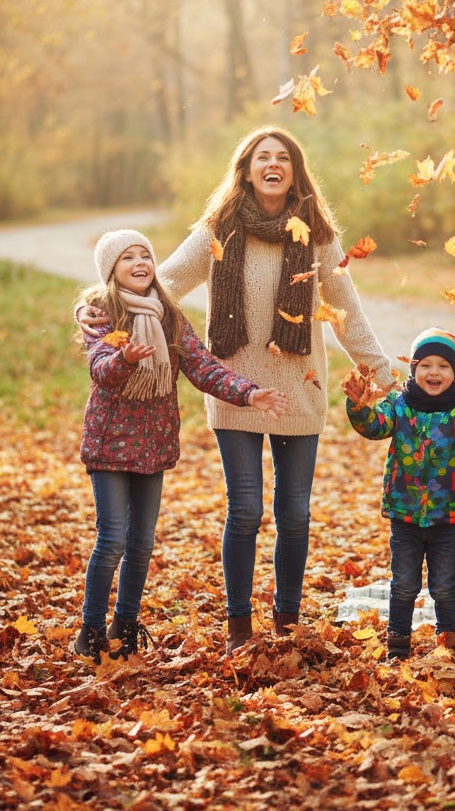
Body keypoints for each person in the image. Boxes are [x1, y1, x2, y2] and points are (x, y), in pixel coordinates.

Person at [76, 128, 396, 655]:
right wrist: (100, 308)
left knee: (294, 512)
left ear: (295, 170)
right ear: (245, 170)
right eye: (261, 157)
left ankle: (288, 622)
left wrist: (384, 376)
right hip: (232, 389)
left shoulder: (317, 236)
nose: (272, 164)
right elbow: (163, 284)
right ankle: (238, 625)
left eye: (282, 158)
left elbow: (347, 314)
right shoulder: (217, 231)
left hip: (299, 388)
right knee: (245, 509)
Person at [74, 229, 287, 664]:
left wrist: (249, 394)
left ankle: (126, 624)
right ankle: (91, 630)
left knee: (142, 544)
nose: (140, 263)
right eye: (127, 257)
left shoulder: (169, 316)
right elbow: (100, 369)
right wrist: (125, 359)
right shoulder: (101, 313)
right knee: (112, 538)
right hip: (110, 441)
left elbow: (202, 367)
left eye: (145, 255)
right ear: (111, 270)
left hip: (151, 443)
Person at [342, 329, 455, 661]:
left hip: (446, 516)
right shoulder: (399, 405)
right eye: (426, 364)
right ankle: (398, 645)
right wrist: (358, 406)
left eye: (443, 365)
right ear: (414, 369)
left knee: (444, 585)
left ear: (454, 371)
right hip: (405, 514)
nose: (434, 372)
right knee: (403, 585)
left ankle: (450, 645)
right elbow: (374, 425)